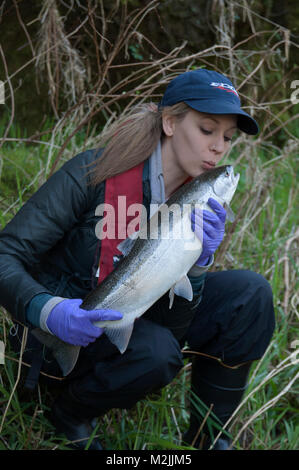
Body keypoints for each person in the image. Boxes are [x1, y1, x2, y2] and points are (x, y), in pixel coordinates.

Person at [0, 69, 275, 450]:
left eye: (227, 138)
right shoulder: (91, 173)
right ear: (169, 122)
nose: (219, 147)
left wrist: (197, 264)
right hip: (64, 328)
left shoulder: (199, 199)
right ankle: (68, 414)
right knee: (156, 350)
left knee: (251, 294)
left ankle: (209, 440)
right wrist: (48, 311)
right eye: (207, 130)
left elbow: (176, 328)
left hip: (141, 315)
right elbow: (5, 254)